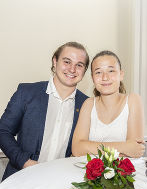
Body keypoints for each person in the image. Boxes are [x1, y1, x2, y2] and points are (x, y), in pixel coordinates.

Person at [0, 41, 89, 181]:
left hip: (61, 183)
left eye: (79, 65)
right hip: (20, 178)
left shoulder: (87, 104)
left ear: (84, 70)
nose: (72, 69)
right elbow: (3, 131)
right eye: (67, 61)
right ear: (55, 62)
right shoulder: (26, 92)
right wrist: (26, 163)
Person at [72, 50, 145, 158]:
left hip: (123, 174)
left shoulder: (133, 100)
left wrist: (91, 148)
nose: (105, 77)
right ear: (92, 78)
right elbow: (77, 149)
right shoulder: (89, 104)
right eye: (98, 72)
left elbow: (135, 151)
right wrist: (124, 147)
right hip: (89, 172)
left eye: (111, 71)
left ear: (121, 75)